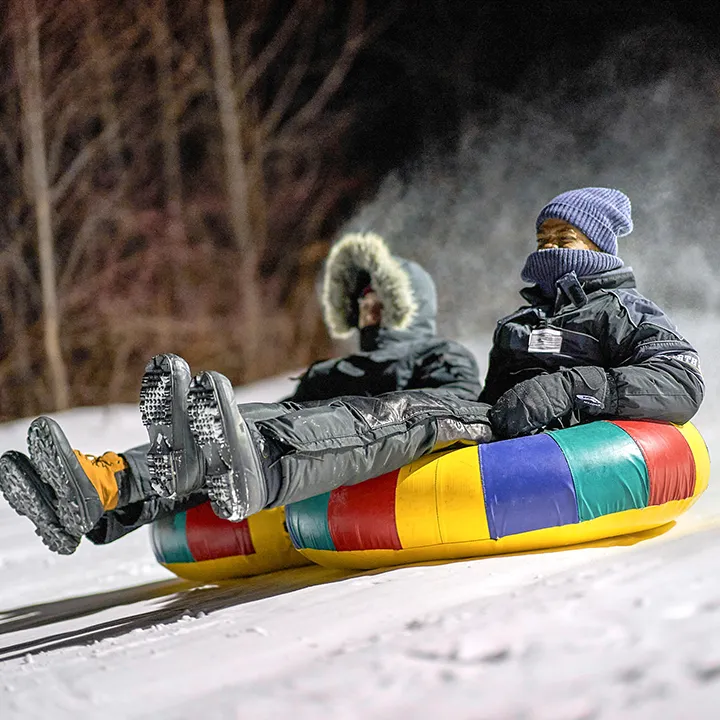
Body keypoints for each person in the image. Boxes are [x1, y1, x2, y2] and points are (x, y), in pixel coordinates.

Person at [0, 233, 484, 554]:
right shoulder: (335, 370)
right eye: (363, 301)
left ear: (410, 304)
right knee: (225, 430)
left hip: (356, 447)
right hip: (299, 442)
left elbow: (447, 408)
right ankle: (102, 487)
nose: (367, 309)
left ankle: (140, 478)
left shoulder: (441, 355)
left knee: (275, 427)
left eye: (380, 299)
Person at [480, 187, 704, 438]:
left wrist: (572, 388)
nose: (549, 248)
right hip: (512, 457)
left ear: (599, 247)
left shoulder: (620, 310)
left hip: (588, 459)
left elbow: (682, 382)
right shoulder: (517, 325)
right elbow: (490, 404)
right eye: (542, 240)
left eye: (565, 239)